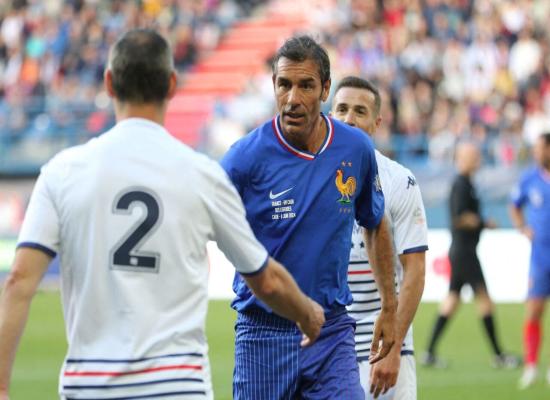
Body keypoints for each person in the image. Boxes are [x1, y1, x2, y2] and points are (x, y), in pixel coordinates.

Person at [0, 29, 325, 400]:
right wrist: (306, 312)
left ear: (109, 83)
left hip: (90, 385)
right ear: (172, 85)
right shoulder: (201, 174)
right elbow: (264, 280)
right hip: (177, 385)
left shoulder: (62, 172)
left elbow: (20, 281)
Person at [220, 35, 397, 399]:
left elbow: (375, 222)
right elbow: (204, 226)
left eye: (306, 85)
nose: (293, 98)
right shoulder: (244, 159)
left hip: (331, 330)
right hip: (263, 333)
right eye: (284, 85)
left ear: (326, 89)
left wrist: (389, 308)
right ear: (273, 86)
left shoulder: (355, 148)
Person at [331, 76, 428, 399]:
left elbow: (414, 269)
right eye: (342, 109)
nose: (349, 118)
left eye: (360, 111)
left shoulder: (401, 181)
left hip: (383, 342)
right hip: (328, 342)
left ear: (376, 123)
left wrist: (394, 346)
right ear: (329, 115)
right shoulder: (309, 178)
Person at [423, 141, 519, 369]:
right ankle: (499, 355)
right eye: (472, 156)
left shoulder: (467, 183)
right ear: (461, 159)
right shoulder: (461, 184)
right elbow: (460, 217)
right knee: (485, 301)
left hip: (461, 251)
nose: (477, 160)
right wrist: (484, 223)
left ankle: (429, 353)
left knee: (452, 301)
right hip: (464, 253)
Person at [510, 132, 550, 389]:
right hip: (540, 257)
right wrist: (522, 226)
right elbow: (514, 204)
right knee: (534, 310)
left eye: (539, 148)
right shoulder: (529, 178)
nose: (536, 152)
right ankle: (531, 366)